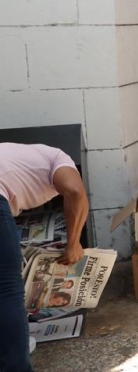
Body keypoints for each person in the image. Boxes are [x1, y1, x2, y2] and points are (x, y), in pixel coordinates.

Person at [0, 143, 89, 371]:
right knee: (7, 289)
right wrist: (73, 243)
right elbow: (75, 192)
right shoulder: (59, 158)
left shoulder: (20, 157)